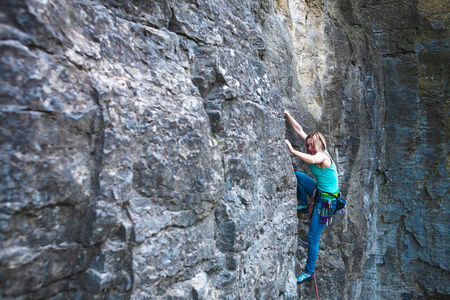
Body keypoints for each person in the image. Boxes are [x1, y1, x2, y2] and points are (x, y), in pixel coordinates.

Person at [284, 110, 339, 284]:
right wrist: (287, 114)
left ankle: (308, 272)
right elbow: (300, 130)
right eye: (307, 145)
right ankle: (302, 204)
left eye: (310, 145)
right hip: (319, 191)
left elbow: (312, 160)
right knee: (299, 176)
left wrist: (293, 151)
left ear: (318, 144)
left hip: (327, 202)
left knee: (313, 237)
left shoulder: (322, 156)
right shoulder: (315, 149)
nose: (308, 147)